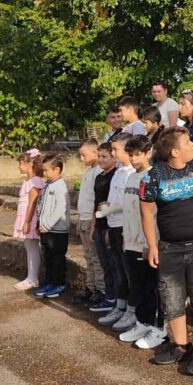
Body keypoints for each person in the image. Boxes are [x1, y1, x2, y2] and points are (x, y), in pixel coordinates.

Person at [140, 127, 193, 377]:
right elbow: (146, 212)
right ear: (175, 152)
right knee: (172, 296)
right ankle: (181, 346)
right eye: (188, 142)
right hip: (170, 248)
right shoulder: (153, 176)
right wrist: (152, 245)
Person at [118, 134, 164, 346]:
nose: (134, 159)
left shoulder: (153, 176)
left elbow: (153, 215)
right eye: (131, 155)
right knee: (136, 285)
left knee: (149, 286)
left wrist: (149, 243)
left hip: (146, 244)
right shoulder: (130, 178)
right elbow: (128, 210)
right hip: (130, 241)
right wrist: (125, 237)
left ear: (148, 152)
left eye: (138, 154)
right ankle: (142, 322)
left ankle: (155, 326)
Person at [95, 133, 135, 330]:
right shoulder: (119, 172)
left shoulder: (131, 173)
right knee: (117, 268)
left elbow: (129, 203)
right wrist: (107, 210)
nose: (112, 153)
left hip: (125, 227)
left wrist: (110, 209)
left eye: (115, 149)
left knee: (128, 271)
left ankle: (132, 311)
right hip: (113, 225)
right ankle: (120, 306)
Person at [73, 139, 107, 307]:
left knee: (96, 258)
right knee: (88, 256)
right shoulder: (89, 171)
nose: (81, 158)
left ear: (95, 153)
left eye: (83, 155)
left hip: (91, 220)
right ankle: (91, 287)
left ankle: (100, 290)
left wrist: (93, 222)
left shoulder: (98, 172)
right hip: (83, 218)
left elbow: (97, 200)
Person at [34, 154, 70, 299]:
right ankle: (49, 282)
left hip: (57, 231)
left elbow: (59, 209)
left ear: (57, 170)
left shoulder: (60, 187)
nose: (44, 173)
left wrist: (48, 224)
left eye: (46, 170)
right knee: (48, 258)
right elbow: (41, 206)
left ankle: (58, 284)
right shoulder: (48, 185)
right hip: (46, 230)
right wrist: (39, 224)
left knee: (57, 259)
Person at [89, 143, 119, 312]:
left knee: (114, 264)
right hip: (99, 225)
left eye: (104, 156)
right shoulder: (99, 177)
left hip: (111, 225)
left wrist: (108, 228)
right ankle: (109, 297)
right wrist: (93, 226)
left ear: (114, 158)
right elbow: (96, 203)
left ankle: (116, 299)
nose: (100, 160)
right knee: (104, 264)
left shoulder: (116, 176)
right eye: (99, 156)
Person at [12, 148, 45, 291]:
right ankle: (30, 277)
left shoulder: (35, 181)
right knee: (28, 247)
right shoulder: (28, 181)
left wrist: (27, 221)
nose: (19, 166)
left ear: (30, 164)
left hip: (30, 218)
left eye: (21, 163)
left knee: (32, 248)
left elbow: (32, 203)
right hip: (26, 217)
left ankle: (33, 278)